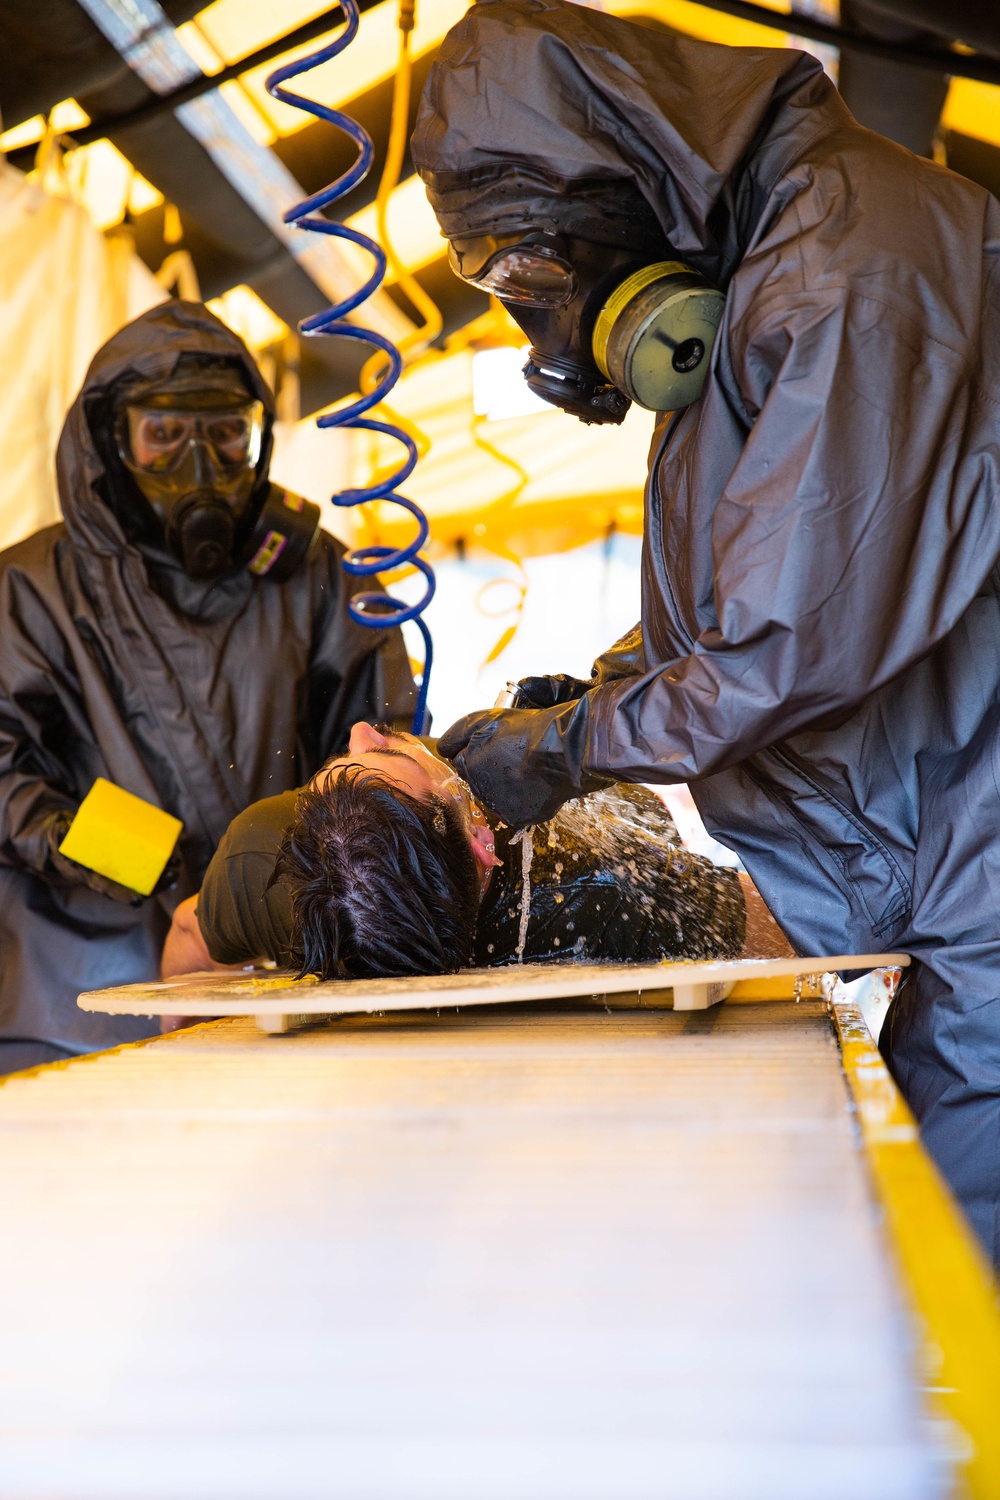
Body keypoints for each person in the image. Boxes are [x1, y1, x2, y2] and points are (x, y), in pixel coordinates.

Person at [410, 0, 1000, 1264]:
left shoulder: (846, 266)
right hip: (948, 859)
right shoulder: (755, 270)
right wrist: (608, 684)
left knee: (955, 1258)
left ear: (630, 177)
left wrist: (569, 747)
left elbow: (793, 643)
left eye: (536, 270)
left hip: (978, 863)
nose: (538, 321)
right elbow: (762, 576)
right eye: (500, 285)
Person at [0, 301, 416, 1074]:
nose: (202, 468)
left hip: (279, 988)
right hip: (76, 1004)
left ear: (260, 438)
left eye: (228, 434)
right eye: (163, 436)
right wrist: (125, 852)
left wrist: (276, 889)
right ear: (108, 442)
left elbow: (378, 748)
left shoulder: (319, 574)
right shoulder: (30, 586)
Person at [162, 721, 789, 984]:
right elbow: (795, 925)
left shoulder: (261, 850)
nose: (360, 728)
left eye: (344, 765)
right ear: (480, 840)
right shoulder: (602, 894)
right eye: (383, 753)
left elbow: (188, 938)